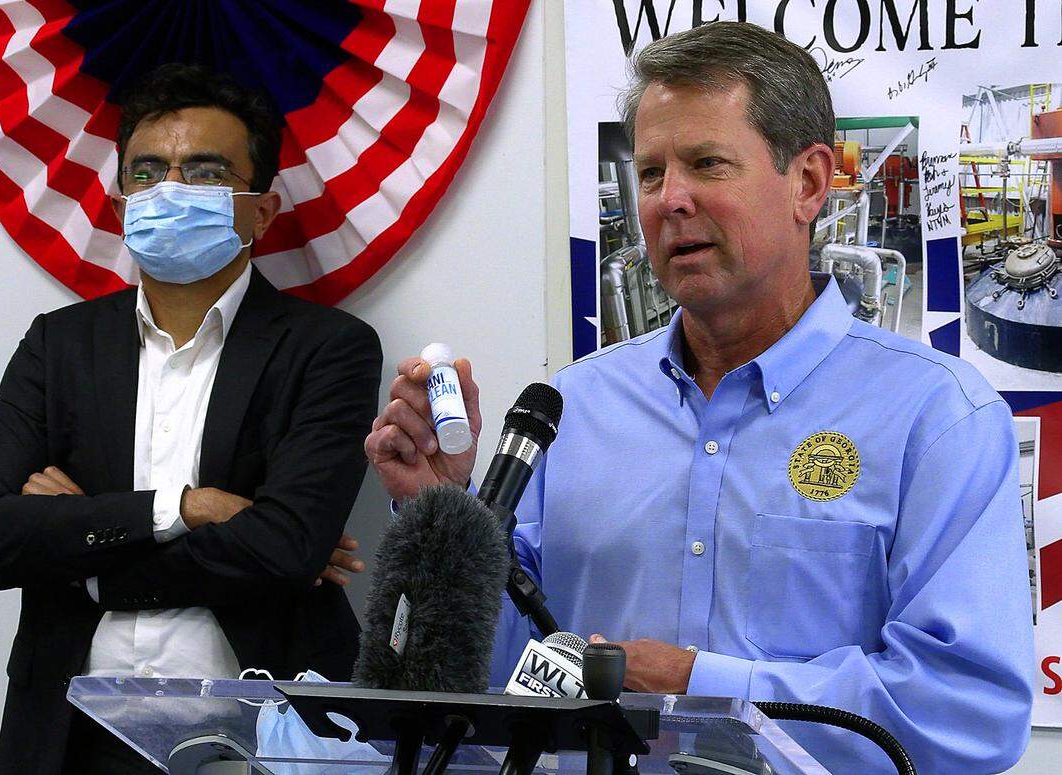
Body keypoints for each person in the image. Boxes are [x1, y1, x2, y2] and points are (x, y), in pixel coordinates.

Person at [364, 22, 1033, 774]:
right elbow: (494, 682)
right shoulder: (572, 409)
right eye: (650, 174)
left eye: (707, 164)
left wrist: (700, 687)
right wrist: (441, 520)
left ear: (809, 183)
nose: (669, 201)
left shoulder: (937, 417)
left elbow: (966, 710)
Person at [0, 63, 382, 774]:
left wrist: (87, 552)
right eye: (146, 172)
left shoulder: (329, 348)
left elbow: (287, 549)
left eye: (205, 172)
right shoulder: (58, 345)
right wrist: (184, 508)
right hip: (70, 736)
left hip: (260, 736)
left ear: (261, 211)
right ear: (122, 200)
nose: (170, 189)